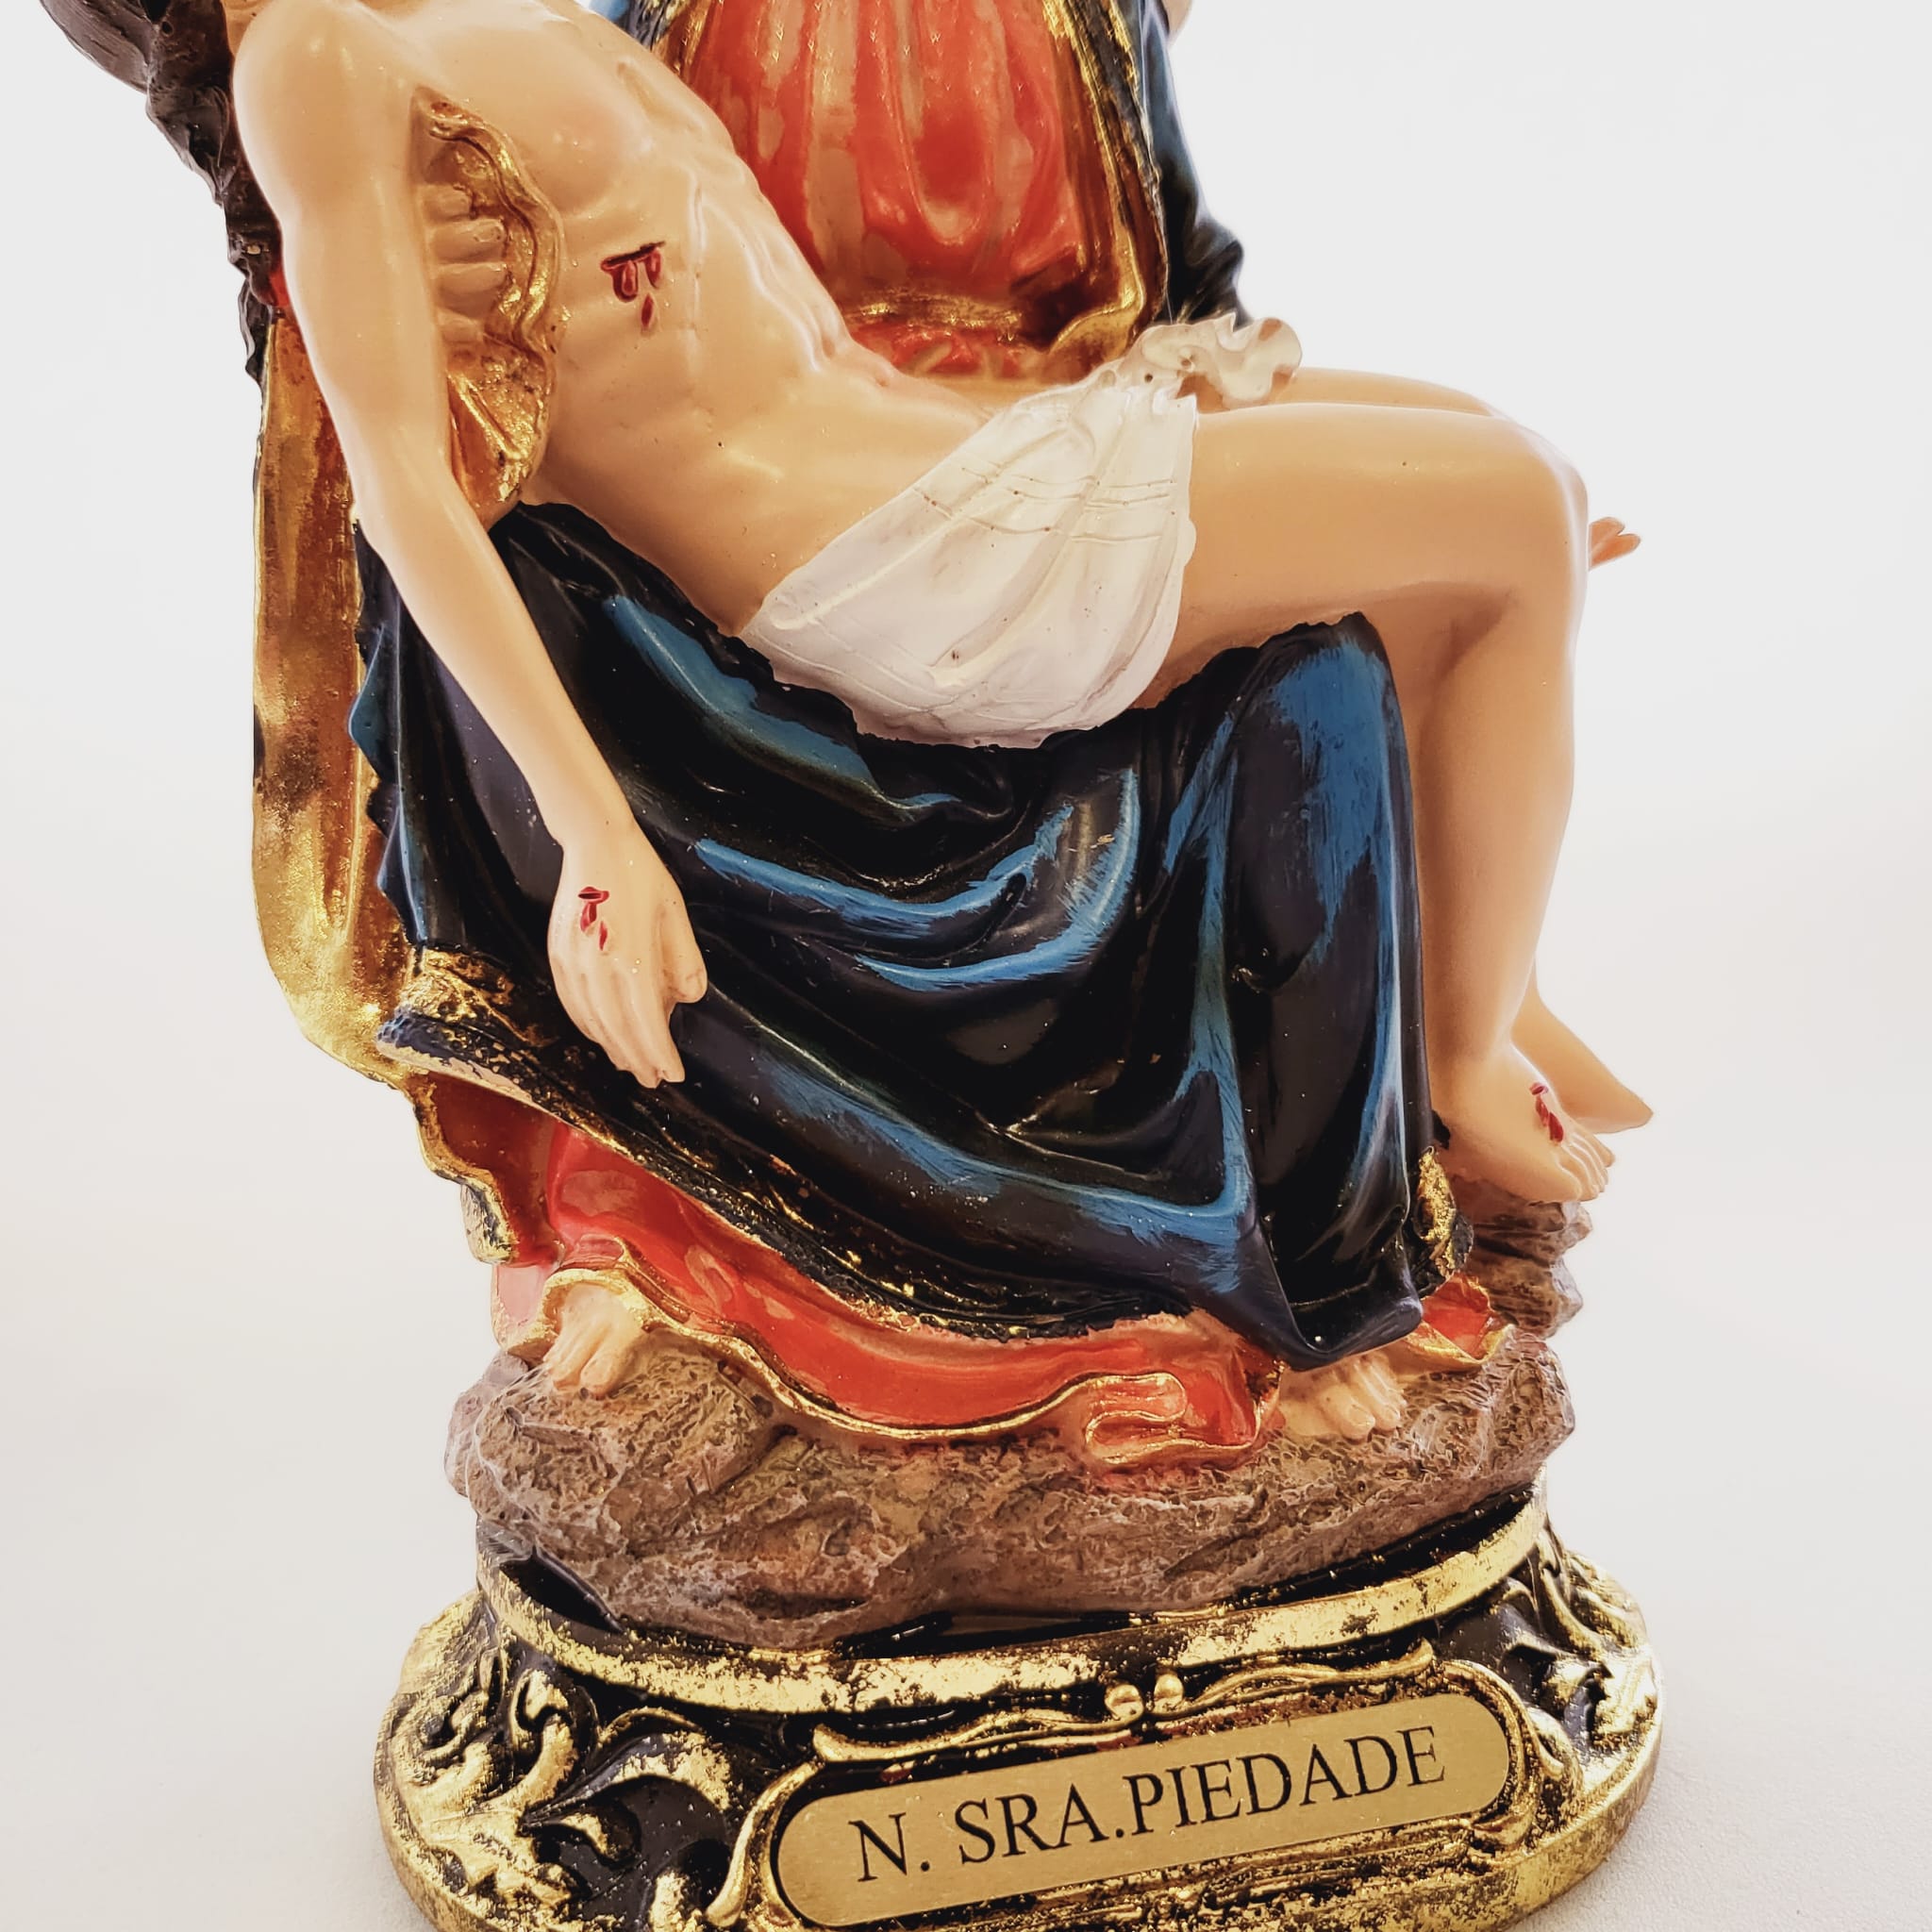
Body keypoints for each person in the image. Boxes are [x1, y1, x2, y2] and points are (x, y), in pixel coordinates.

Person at [234, 0, 1635, 1210]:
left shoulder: (487, 15)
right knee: (1517, 508)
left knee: (1510, 466)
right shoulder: (317, 50)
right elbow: (404, 487)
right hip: (888, 557)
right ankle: (1465, 1059)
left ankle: (1485, 983)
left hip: (941, 438)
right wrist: (595, 835)